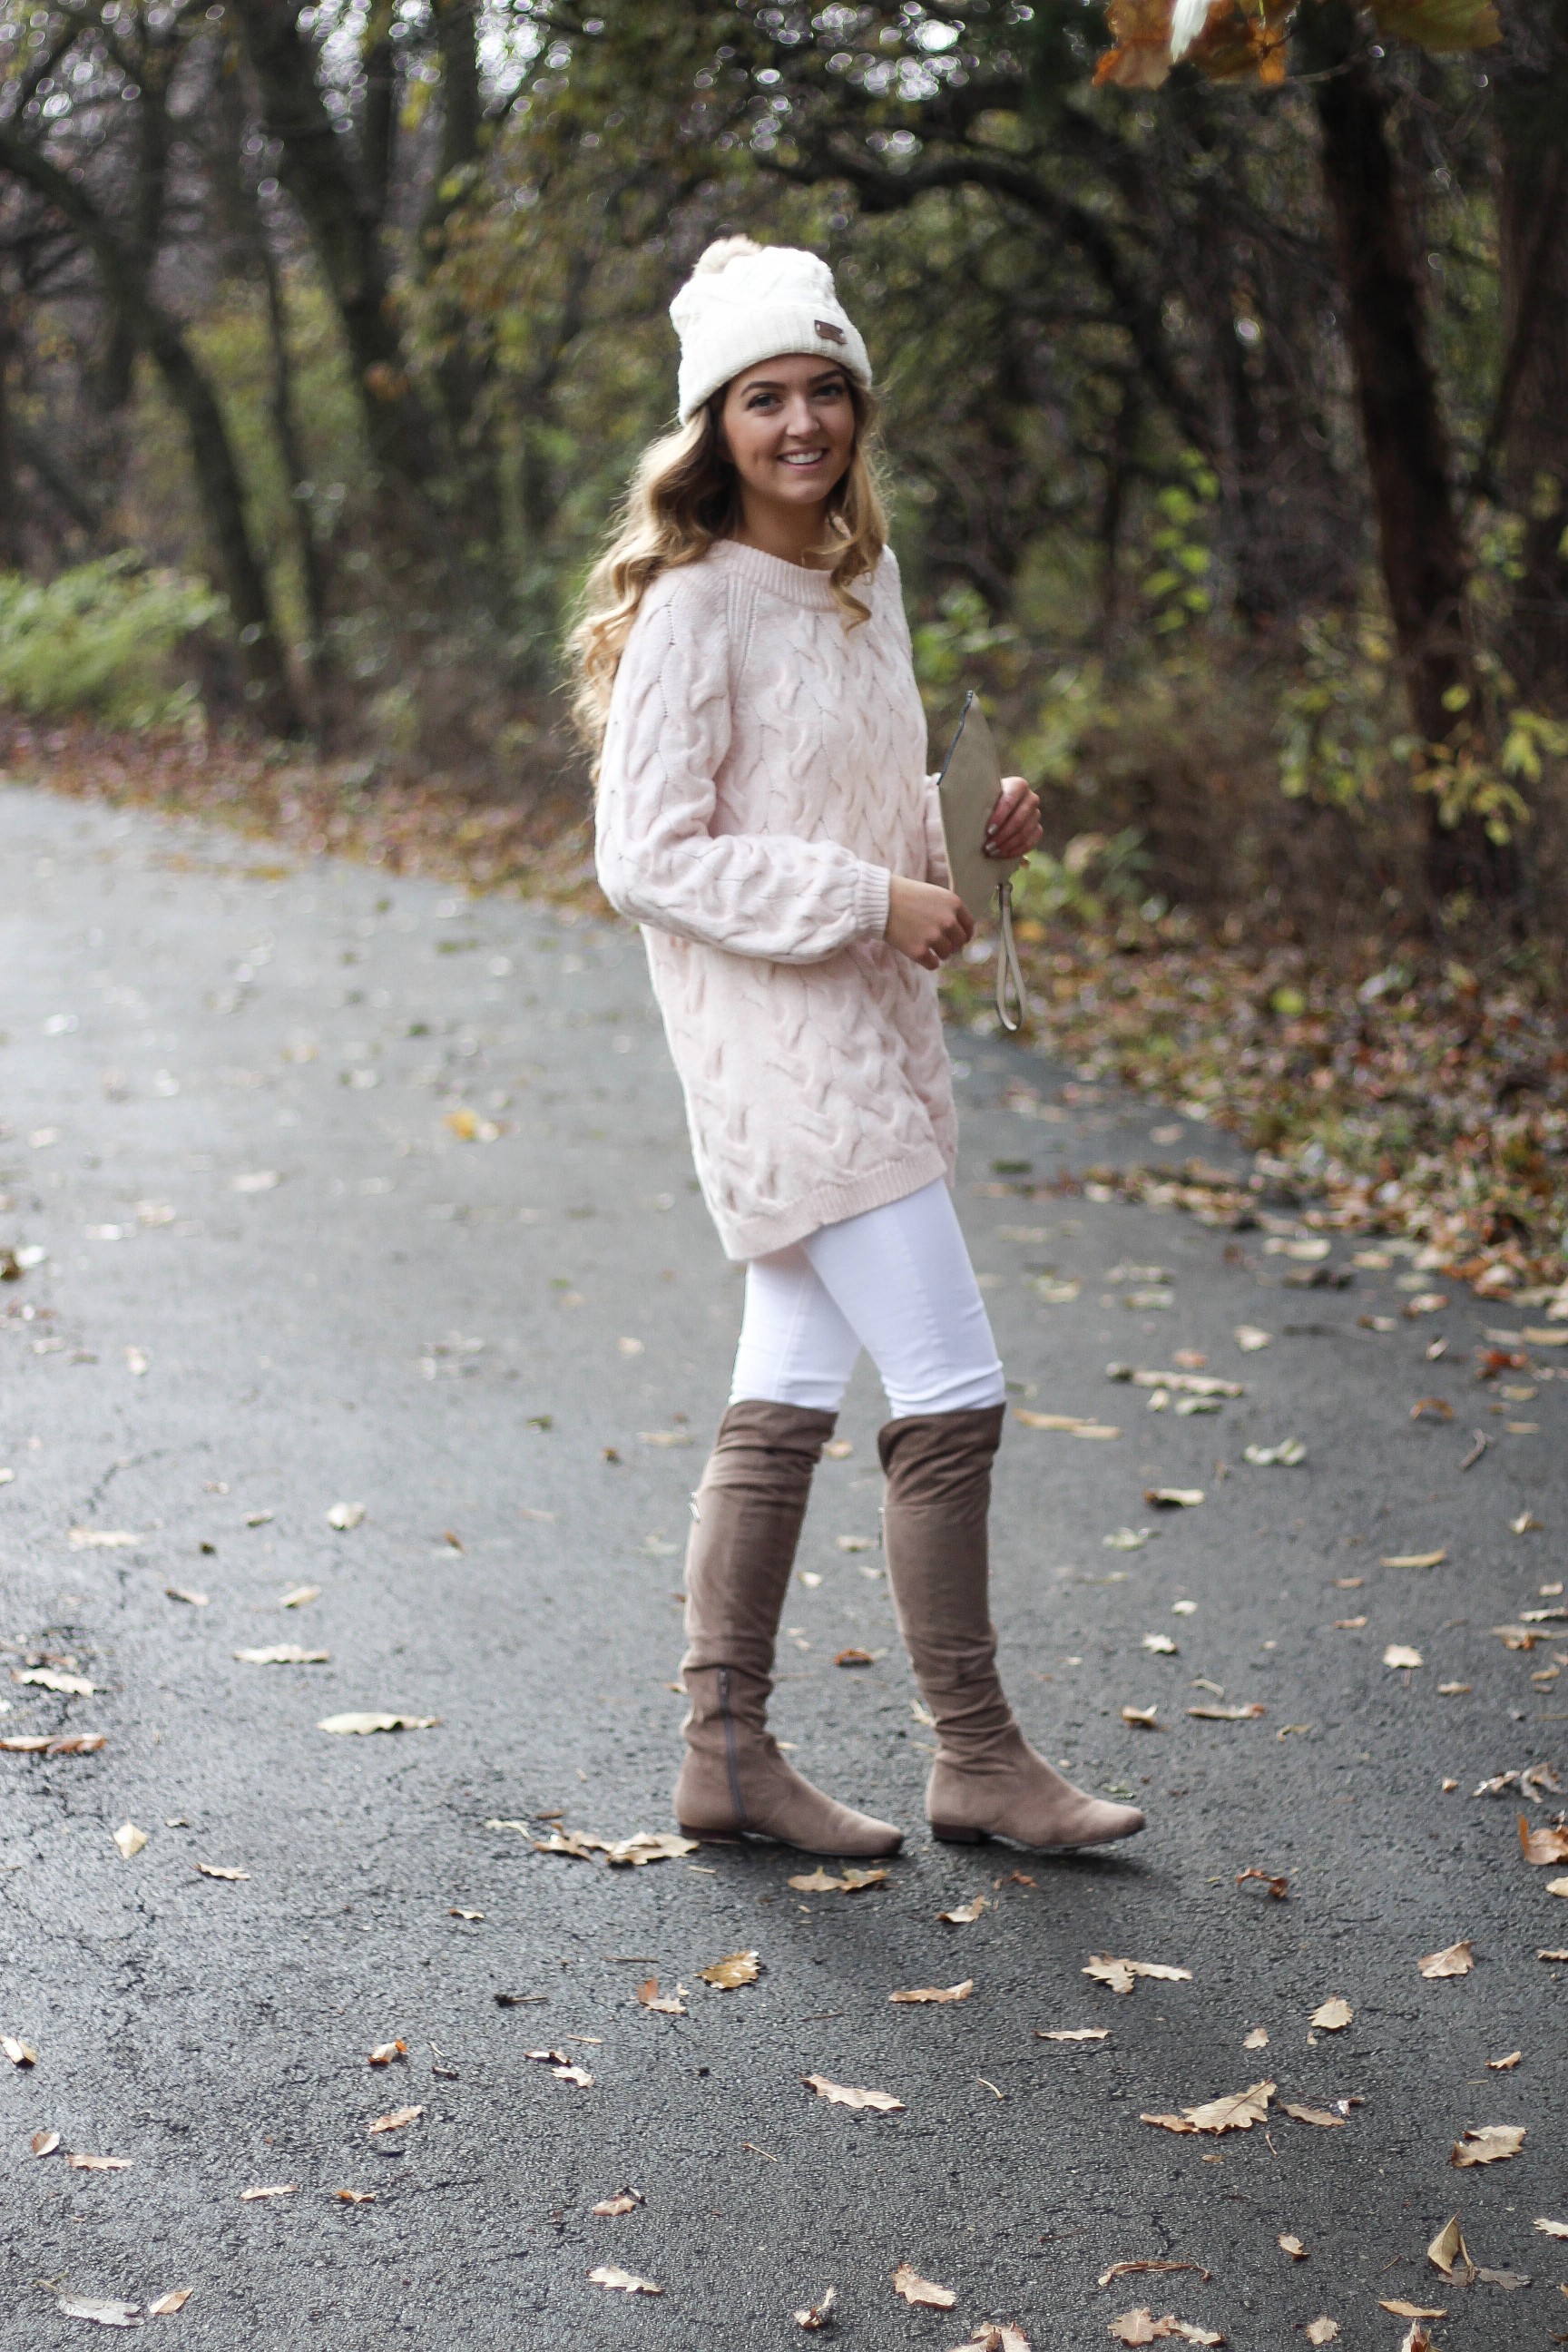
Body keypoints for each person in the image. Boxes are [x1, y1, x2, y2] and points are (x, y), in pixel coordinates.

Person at [572, 236, 1144, 1861]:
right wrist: (864, 894)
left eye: (827, 389)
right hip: (777, 1049)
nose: (802, 422)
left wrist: (966, 837)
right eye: (766, 397)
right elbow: (649, 857)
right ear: (713, 425)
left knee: (788, 1385)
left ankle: (728, 1757)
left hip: (873, 1032)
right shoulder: (692, 612)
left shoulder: (854, 579)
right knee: (952, 1387)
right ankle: (977, 1758)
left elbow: (852, 813)